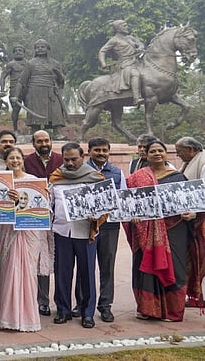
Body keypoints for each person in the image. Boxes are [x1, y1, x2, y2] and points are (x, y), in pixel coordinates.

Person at [125, 140, 205, 322]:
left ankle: (173, 311)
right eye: (152, 151)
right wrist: (134, 215)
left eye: (160, 150)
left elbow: (192, 204)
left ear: (166, 153)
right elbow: (128, 203)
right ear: (145, 154)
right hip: (145, 228)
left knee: (175, 266)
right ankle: (147, 309)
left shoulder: (178, 177)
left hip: (175, 228)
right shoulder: (138, 177)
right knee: (144, 266)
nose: (157, 154)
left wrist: (191, 214)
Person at [48, 142, 105, 329]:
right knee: (62, 273)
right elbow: (49, 204)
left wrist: (96, 216)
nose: (70, 163)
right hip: (61, 231)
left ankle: (87, 312)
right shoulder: (56, 178)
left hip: (85, 232)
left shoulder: (95, 178)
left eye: (74, 159)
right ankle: (63, 310)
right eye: (67, 159)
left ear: (83, 157)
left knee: (87, 274)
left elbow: (106, 206)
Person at [0, 147, 43, 332]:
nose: (15, 161)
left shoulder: (33, 181)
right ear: (5, 161)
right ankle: (9, 318)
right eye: (11, 158)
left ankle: (29, 318)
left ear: (23, 160)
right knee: (8, 273)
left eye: (18, 158)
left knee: (28, 274)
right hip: (7, 231)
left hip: (28, 232)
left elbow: (40, 208)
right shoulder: (1, 182)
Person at [83, 137, 127, 323]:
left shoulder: (117, 172)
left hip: (109, 225)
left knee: (107, 266)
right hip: (85, 226)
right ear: (89, 151)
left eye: (104, 150)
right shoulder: (80, 171)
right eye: (97, 150)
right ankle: (84, 304)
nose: (101, 154)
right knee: (86, 267)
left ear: (109, 152)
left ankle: (105, 305)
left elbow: (123, 197)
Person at [23, 130, 61, 317]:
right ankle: (40, 301)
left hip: (58, 220)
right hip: (33, 219)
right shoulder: (26, 161)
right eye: (39, 141)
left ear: (51, 141)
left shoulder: (62, 160)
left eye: (46, 140)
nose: (43, 143)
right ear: (33, 143)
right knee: (38, 260)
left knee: (59, 260)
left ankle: (61, 303)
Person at [18, 39, 67, 137]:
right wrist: (16, 95)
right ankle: (35, 132)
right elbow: (22, 80)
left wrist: (58, 73)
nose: (40, 49)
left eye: (42, 47)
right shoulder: (30, 63)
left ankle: (57, 132)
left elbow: (61, 80)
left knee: (55, 111)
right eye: (37, 47)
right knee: (36, 116)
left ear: (47, 48)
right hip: (35, 92)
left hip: (51, 91)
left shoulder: (55, 63)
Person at [98, 19, 145, 106]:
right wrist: (103, 63)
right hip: (125, 64)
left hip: (136, 61)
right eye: (124, 25)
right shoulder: (114, 40)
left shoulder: (130, 38)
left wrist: (140, 48)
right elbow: (102, 51)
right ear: (118, 28)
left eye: (126, 25)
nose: (127, 27)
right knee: (135, 74)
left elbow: (141, 44)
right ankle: (136, 98)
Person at [0, 45, 28, 131]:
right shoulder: (11, 64)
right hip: (14, 89)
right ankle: (15, 129)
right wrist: (2, 89)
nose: (18, 52)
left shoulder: (28, 64)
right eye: (16, 51)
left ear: (24, 53)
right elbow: (3, 76)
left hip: (27, 89)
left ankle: (32, 128)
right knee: (15, 109)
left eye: (20, 50)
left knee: (30, 107)